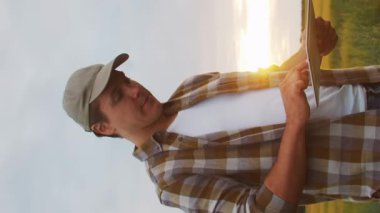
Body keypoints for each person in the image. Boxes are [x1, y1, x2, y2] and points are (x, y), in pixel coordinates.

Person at [63, 18, 380, 212]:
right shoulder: (170, 179)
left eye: (127, 80)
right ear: (104, 127)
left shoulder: (190, 87)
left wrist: (308, 51)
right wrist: (295, 123)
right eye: (118, 96)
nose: (135, 90)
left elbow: (267, 83)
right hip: (368, 155)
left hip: (368, 86)